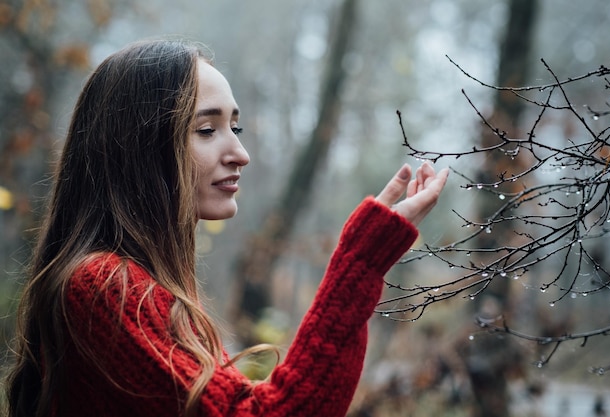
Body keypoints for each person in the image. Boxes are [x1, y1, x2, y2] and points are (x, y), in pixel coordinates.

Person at [4, 38, 448, 417]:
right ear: (139, 149)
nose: (240, 152)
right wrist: (361, 261)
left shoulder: (139, 286)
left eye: (234, 126)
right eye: (206, 129)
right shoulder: (101, 288)